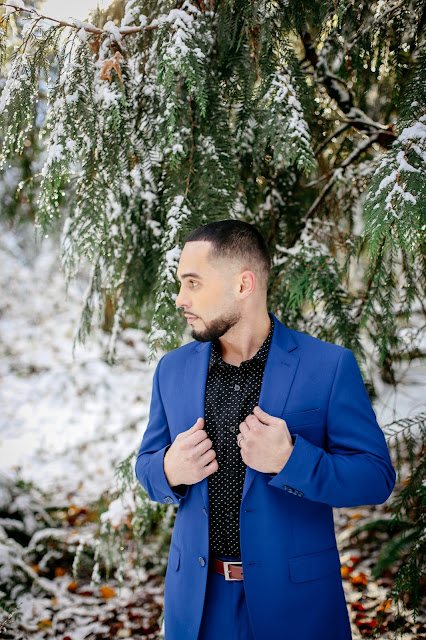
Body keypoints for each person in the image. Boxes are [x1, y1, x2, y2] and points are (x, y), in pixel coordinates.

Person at [135, 219, 396, 640]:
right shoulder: (172, 369)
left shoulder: (328, 366)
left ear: (243, 284)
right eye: (181, 283)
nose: (180, 298)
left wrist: (292, 461)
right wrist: (168, 469)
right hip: (198, 607)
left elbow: (376, 477)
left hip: (296, 606)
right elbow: (146, 466)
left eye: (193, 283)